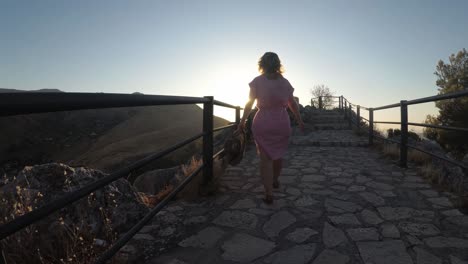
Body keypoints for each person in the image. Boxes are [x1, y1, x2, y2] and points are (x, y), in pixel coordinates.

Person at [236, 52, 304, 204]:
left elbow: (249, 103)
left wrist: (242, 121)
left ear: (262, 64)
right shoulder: (285, 83)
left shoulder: (257, 81)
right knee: (278, 155)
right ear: (278, 64)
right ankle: (274, 180)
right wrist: (299, 120)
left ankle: (269, 193)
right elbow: (293, 104)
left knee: (265, 158)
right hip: (281, 123)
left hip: (263, 122)